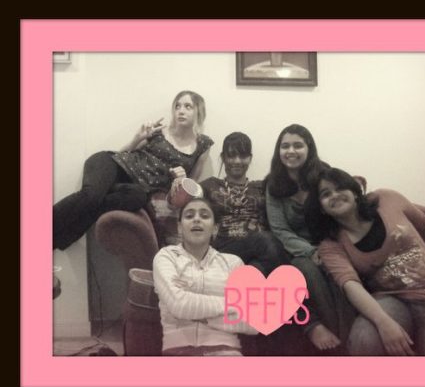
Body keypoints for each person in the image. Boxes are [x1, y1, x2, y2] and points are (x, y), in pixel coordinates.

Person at [306, 167, 425, 356]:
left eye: (340, 188)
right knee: (365, 340)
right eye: (326, 194)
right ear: (322, 208)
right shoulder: (330, 244)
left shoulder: (386, 199)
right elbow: (350, 285)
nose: (334, 195)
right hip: (389, 298)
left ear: (354, 191)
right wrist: (384, 323)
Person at [53, 90, 213, 250]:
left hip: (134, 188)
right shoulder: (159, 131)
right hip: (113, 165)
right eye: (177, 106)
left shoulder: (202, 145)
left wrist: (183, 178)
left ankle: (55, 240)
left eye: (188, 106)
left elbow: (193, 186)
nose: (181, 111)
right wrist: (138, 138)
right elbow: (122, 153)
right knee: (91, 197)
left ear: (198, 111)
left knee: (137, 199)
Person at [265, 124, 356, 354]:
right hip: (294, 250)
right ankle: (335, 342)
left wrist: (324, 250)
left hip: (329, 244)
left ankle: (348, 339)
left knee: (335, 271)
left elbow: (339, 210)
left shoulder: (324, 175)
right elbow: (279, 229)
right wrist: (310, 251)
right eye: (285, 146)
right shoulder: (273, 184)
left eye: (298, 145)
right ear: (278, 151)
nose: (291, 151)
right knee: (306, 268)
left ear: (309, 148)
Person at [153, 197, 258, 356]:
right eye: (189, 216)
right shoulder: (166, 257)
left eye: (204, 216)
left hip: (227, 352)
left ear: (215, 228)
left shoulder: (233, 263)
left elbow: (254, 322)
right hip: (177, 352)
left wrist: (205, 318)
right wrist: (233, 304)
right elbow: (179, 305)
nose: (196, 219)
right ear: (180, 227)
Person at [199, 132, 289, 276]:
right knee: (265, 239)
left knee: (255, 268)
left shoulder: (262, 186)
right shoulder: (209, 185)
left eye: (243, 156)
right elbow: (183, 203)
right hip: (224, 251)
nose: (237, 161)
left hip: (261, 254)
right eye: (231, 155)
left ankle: (249, 279)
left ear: (250, 158)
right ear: (223, 157)